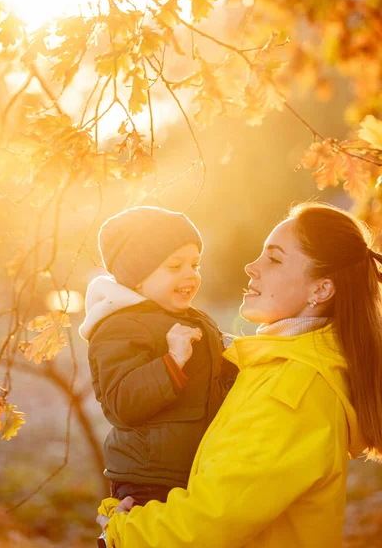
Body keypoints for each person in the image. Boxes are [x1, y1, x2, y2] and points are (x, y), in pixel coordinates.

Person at [96, 202, 382, 548]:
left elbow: (210, 522)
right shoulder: (272, 366)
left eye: (274, 259)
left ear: (320, 290)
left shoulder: (294, 390)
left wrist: (121, 531)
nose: (251, 266)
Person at [79, 206, 237, 516]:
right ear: (137, 278)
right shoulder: (118, 327)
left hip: (196, 469)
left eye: (195, 264)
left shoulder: (192, 319)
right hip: (149, 479)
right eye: (174, 265)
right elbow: (122, 402)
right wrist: (173, 361)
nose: (189, 274)